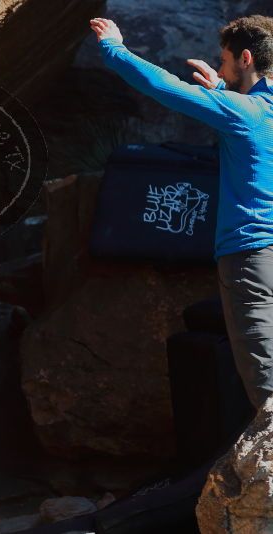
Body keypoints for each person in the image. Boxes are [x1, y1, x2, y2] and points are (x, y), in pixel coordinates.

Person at [90, 16, 273, 409]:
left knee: (266, 382)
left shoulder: (245, 112)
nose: (219, 67)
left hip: (253, 256)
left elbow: (166, 88)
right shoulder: (246, 109)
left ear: (246, 58)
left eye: (223, 60)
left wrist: (114, 48)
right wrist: (224, 89)